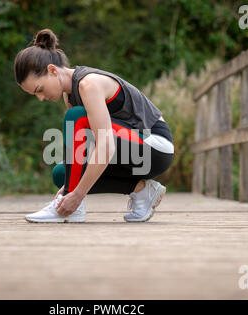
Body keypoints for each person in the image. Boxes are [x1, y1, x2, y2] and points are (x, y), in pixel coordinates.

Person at [14, 28, 174, 223]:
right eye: (34, 95)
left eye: (39, 89)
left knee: (77, 117)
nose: (40, 98)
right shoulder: (69, 94)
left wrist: (77, 195)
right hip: (130, 150)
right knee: (62, 173)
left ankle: (73, 209)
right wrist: (68, 188)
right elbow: (83, 149)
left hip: (155, 147)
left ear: (52, 70)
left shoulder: (88, 84)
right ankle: (142, 190)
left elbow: (106, 145)